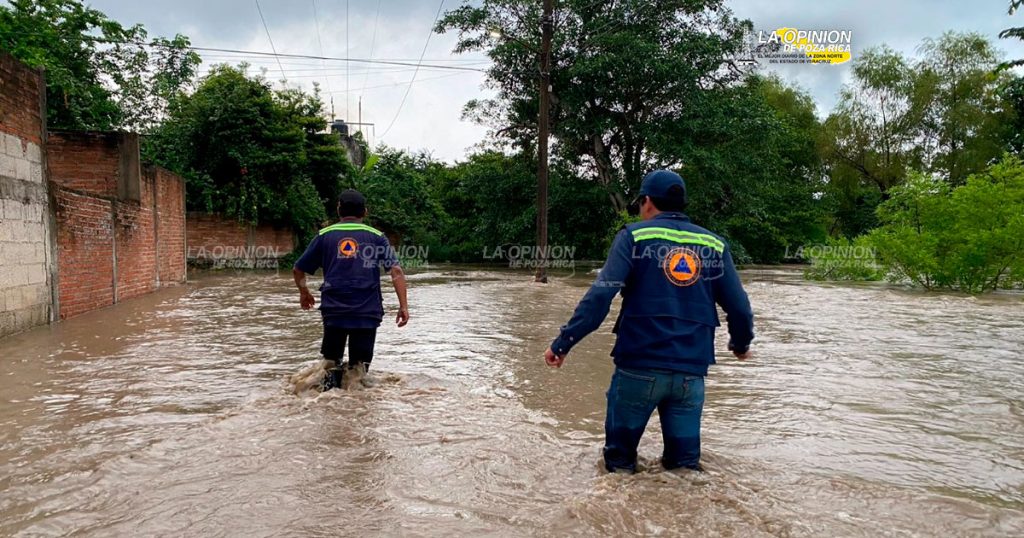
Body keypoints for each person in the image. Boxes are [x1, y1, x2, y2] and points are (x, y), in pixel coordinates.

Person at [544, 169, 754, 473]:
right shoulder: (715, 246)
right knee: (684, 472)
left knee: (618, 468)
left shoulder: (634, 237)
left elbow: (599, 297)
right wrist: (740, 344)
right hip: (689, 376)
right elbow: (739, 307)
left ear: (646, 202)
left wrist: (564, 343)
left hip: (637, 370)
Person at [293, 189, 409, 389]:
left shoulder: (324, 235)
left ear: (339, 210)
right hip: (366, 312)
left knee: (329, 370)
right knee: (359, 372)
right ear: (365, 211)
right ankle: (358, 413)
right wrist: (403, 306)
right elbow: (396, 271)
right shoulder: (377, 237)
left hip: (334, 311)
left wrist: (304, 293)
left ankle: (329, 411)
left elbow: (298, 269)